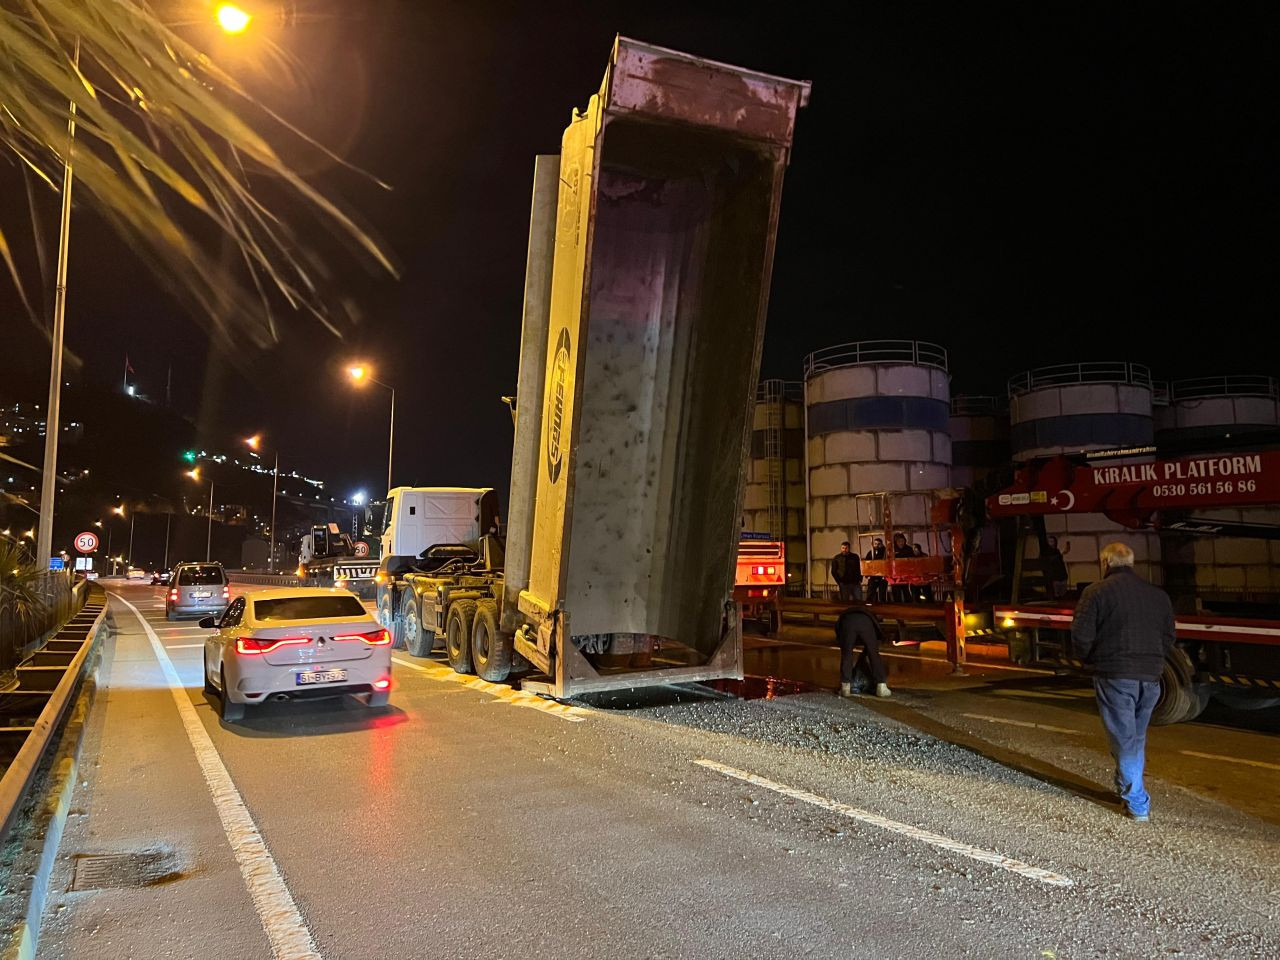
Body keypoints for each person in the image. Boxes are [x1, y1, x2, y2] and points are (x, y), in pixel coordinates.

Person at [1070, 542, 1175, 822]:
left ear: (1105, 563)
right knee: (1135, 738)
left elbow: (1081, 635)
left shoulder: (1095, 593)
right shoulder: (1158, 595)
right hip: (1151, 677)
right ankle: (1125, 788)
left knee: (1125, 740)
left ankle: (1138, 803)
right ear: (1131, 563)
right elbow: (1169, 638)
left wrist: (1091, 660)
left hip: (1115, 675)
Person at [835, 606, 891, 698]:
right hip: (865, 622)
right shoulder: (870, 617)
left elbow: (839, 635)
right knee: (873, 654)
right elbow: (877, 636)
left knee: (847, 655)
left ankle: (845, 687)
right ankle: (881, 686)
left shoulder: (843, 618)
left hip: (847, 622)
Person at [864, 537, 887, 602]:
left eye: (879, 544)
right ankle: (869, 606)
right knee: (870, 593)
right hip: (872, 576)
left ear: (882, 544)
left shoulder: (885, 552)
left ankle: (882, 608)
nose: (877, 545)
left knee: (882, 595)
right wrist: (867, 575)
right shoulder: (870, 552)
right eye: (875, 544)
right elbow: (866, 563)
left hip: (882, 576)